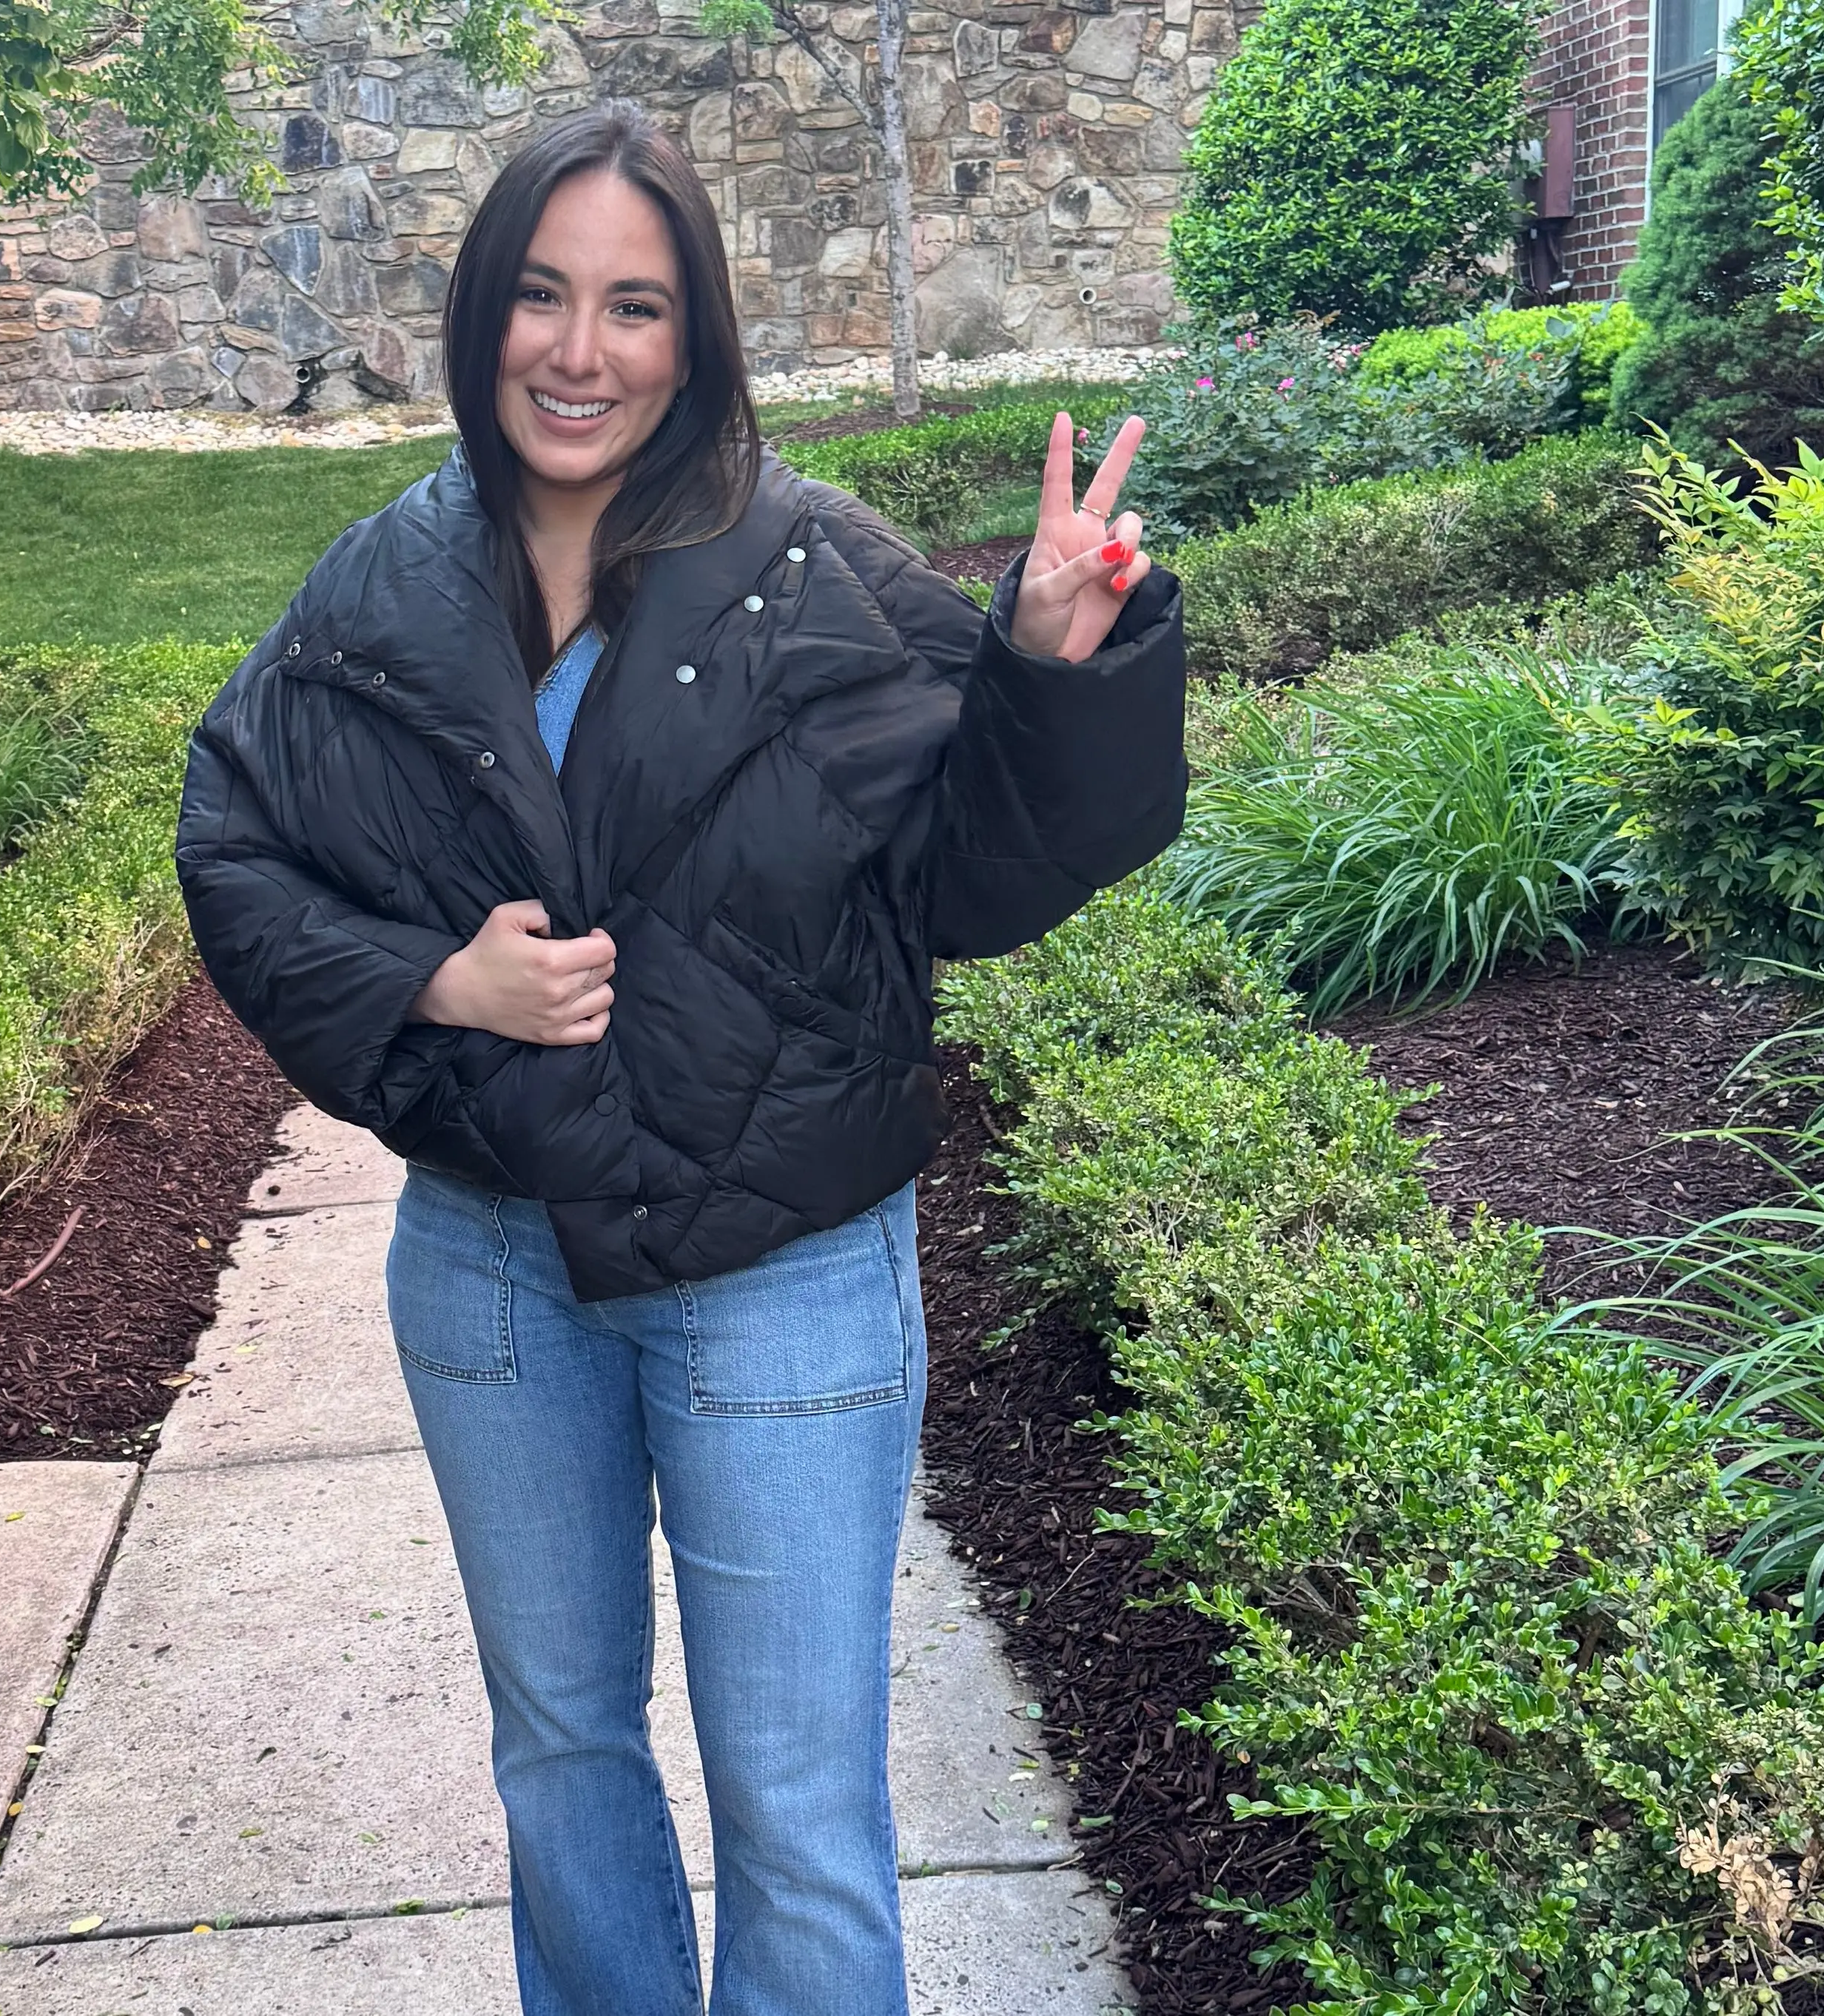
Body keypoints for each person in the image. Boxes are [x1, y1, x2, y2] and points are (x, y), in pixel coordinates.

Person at [176, 100, 1185, 2016]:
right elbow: (233, 844)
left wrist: (1049, 661)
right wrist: (430, 984)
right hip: (494, 1266)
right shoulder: (385, 582)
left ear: (696, 334)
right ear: (484, 315)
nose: (582, 348)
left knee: (799, 1806)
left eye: (635, 306)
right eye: (544, 296)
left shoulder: (809, 567)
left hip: (781, 1284)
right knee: (560, 1758)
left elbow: (973, 872)